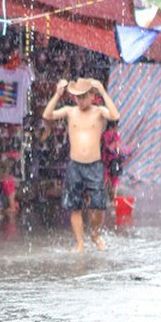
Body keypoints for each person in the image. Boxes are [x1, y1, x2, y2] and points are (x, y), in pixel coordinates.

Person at [42, 78, 120, 252]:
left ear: (92, 96)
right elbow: (47, 115)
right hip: (75, 165)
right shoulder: (70, 111)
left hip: (94, 165)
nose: (80, 100)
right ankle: (80, 243)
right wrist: (57, 94)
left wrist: (103, 91)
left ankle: (95, 233)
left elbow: (115, 115)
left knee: (99, 205)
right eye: (77, 97)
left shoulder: (99, 112)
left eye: (84, 96)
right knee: (74, 206)